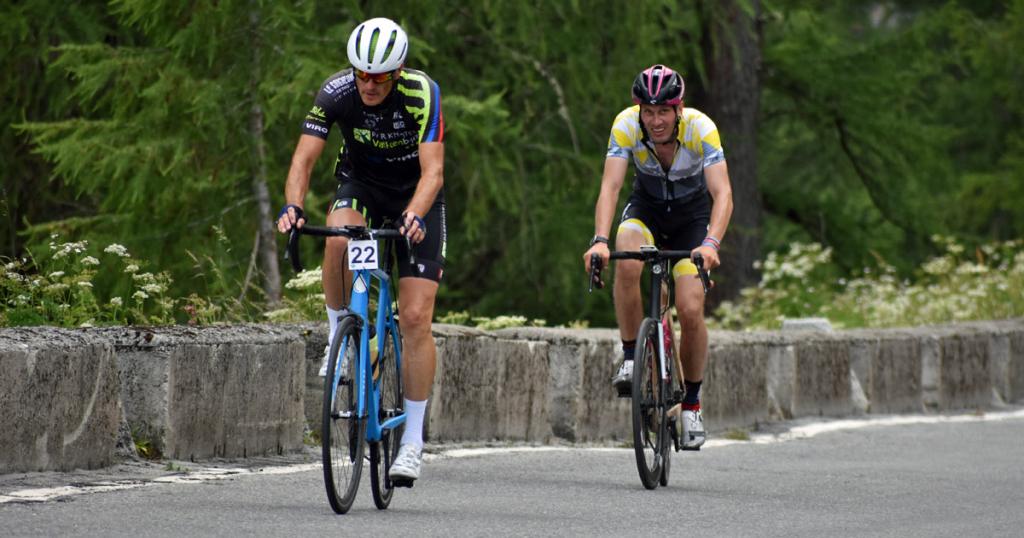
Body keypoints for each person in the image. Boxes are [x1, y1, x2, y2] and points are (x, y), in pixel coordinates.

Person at [276, 17, 445, 483]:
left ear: (398, 70)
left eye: (379, 76)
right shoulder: (336, 92)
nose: (368, 84)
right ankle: (340, 336)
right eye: (361, 74)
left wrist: (413, 213)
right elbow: (303, 159)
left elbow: (434, 172)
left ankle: (411, 441)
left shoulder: (422, 93)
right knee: (337, 236)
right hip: (362, 186)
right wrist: (292, 206)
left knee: (414, 318)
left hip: (417, 197)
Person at [582, 64, 733, 449]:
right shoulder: (626, 126)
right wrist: (599, 239)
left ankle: (692, 404)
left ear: (678, 109)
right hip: (647, 210)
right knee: (626, 256)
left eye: (663, 111)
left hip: (693, 221)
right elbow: (611, 186)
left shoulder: (702, 129)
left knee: (690, 307)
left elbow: (723, 195)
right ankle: (632, 355)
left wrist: (711, 243)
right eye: (648, 112)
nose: (655, 121)